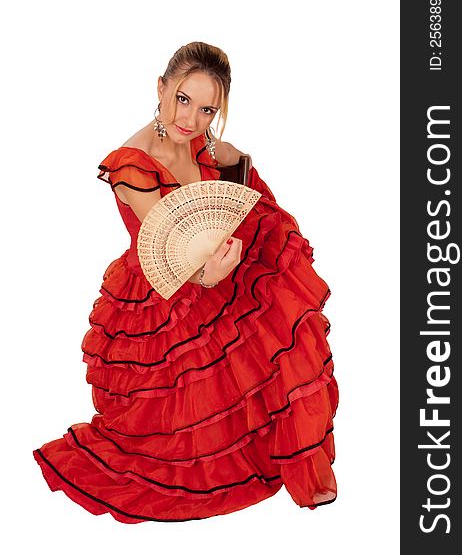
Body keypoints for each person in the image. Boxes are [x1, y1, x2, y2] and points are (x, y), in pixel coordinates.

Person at [32, 41, 338, 523]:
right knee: (183, 428)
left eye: (207, 108)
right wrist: (205, 273)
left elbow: (241, 169)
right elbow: (168, 249)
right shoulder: (132, 164)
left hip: (212, 267)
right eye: (182, 99)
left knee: (280, 317)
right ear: (161, 88)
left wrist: (238, 211)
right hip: (163, 291)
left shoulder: (204, 141)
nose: (191, 119)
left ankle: (277, 448)